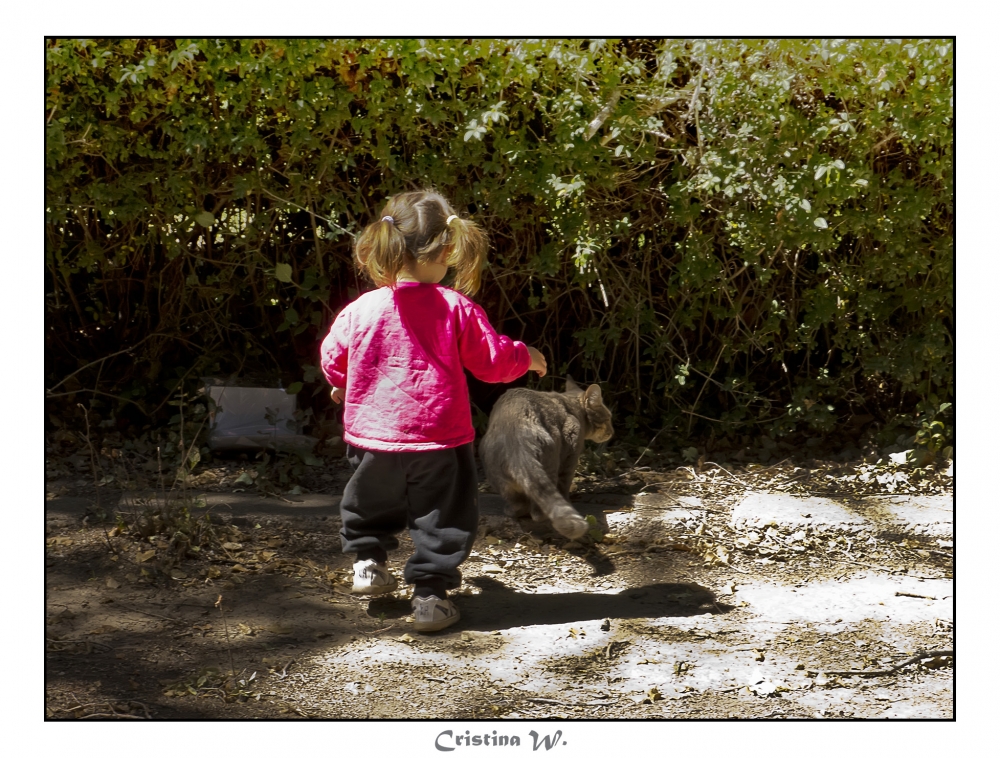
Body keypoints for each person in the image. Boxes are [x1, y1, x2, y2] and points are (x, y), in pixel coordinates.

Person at [319, 190, 547, 633]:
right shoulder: (454, 308)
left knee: (369, 503)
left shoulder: (361, 309)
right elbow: (491, 362)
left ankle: (367, 563)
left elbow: (334, 358)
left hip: (371, 439)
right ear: (447, 250)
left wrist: (340, 385)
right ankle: (429, 597)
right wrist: (527, 356)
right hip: (440, 441)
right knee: (443, 516)